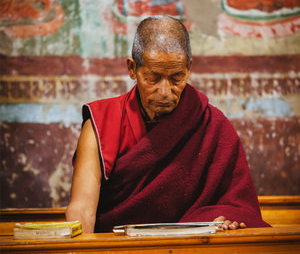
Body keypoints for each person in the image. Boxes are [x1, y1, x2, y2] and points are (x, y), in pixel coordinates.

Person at [66, 15, 269, 233]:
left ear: (189, 69)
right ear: (132, 68)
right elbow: (82, 209)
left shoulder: (212, 124)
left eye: (176, 78)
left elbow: (238, 206)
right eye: (153, 78)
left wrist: (227, 219)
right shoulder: (102, 122)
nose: (165, 92)